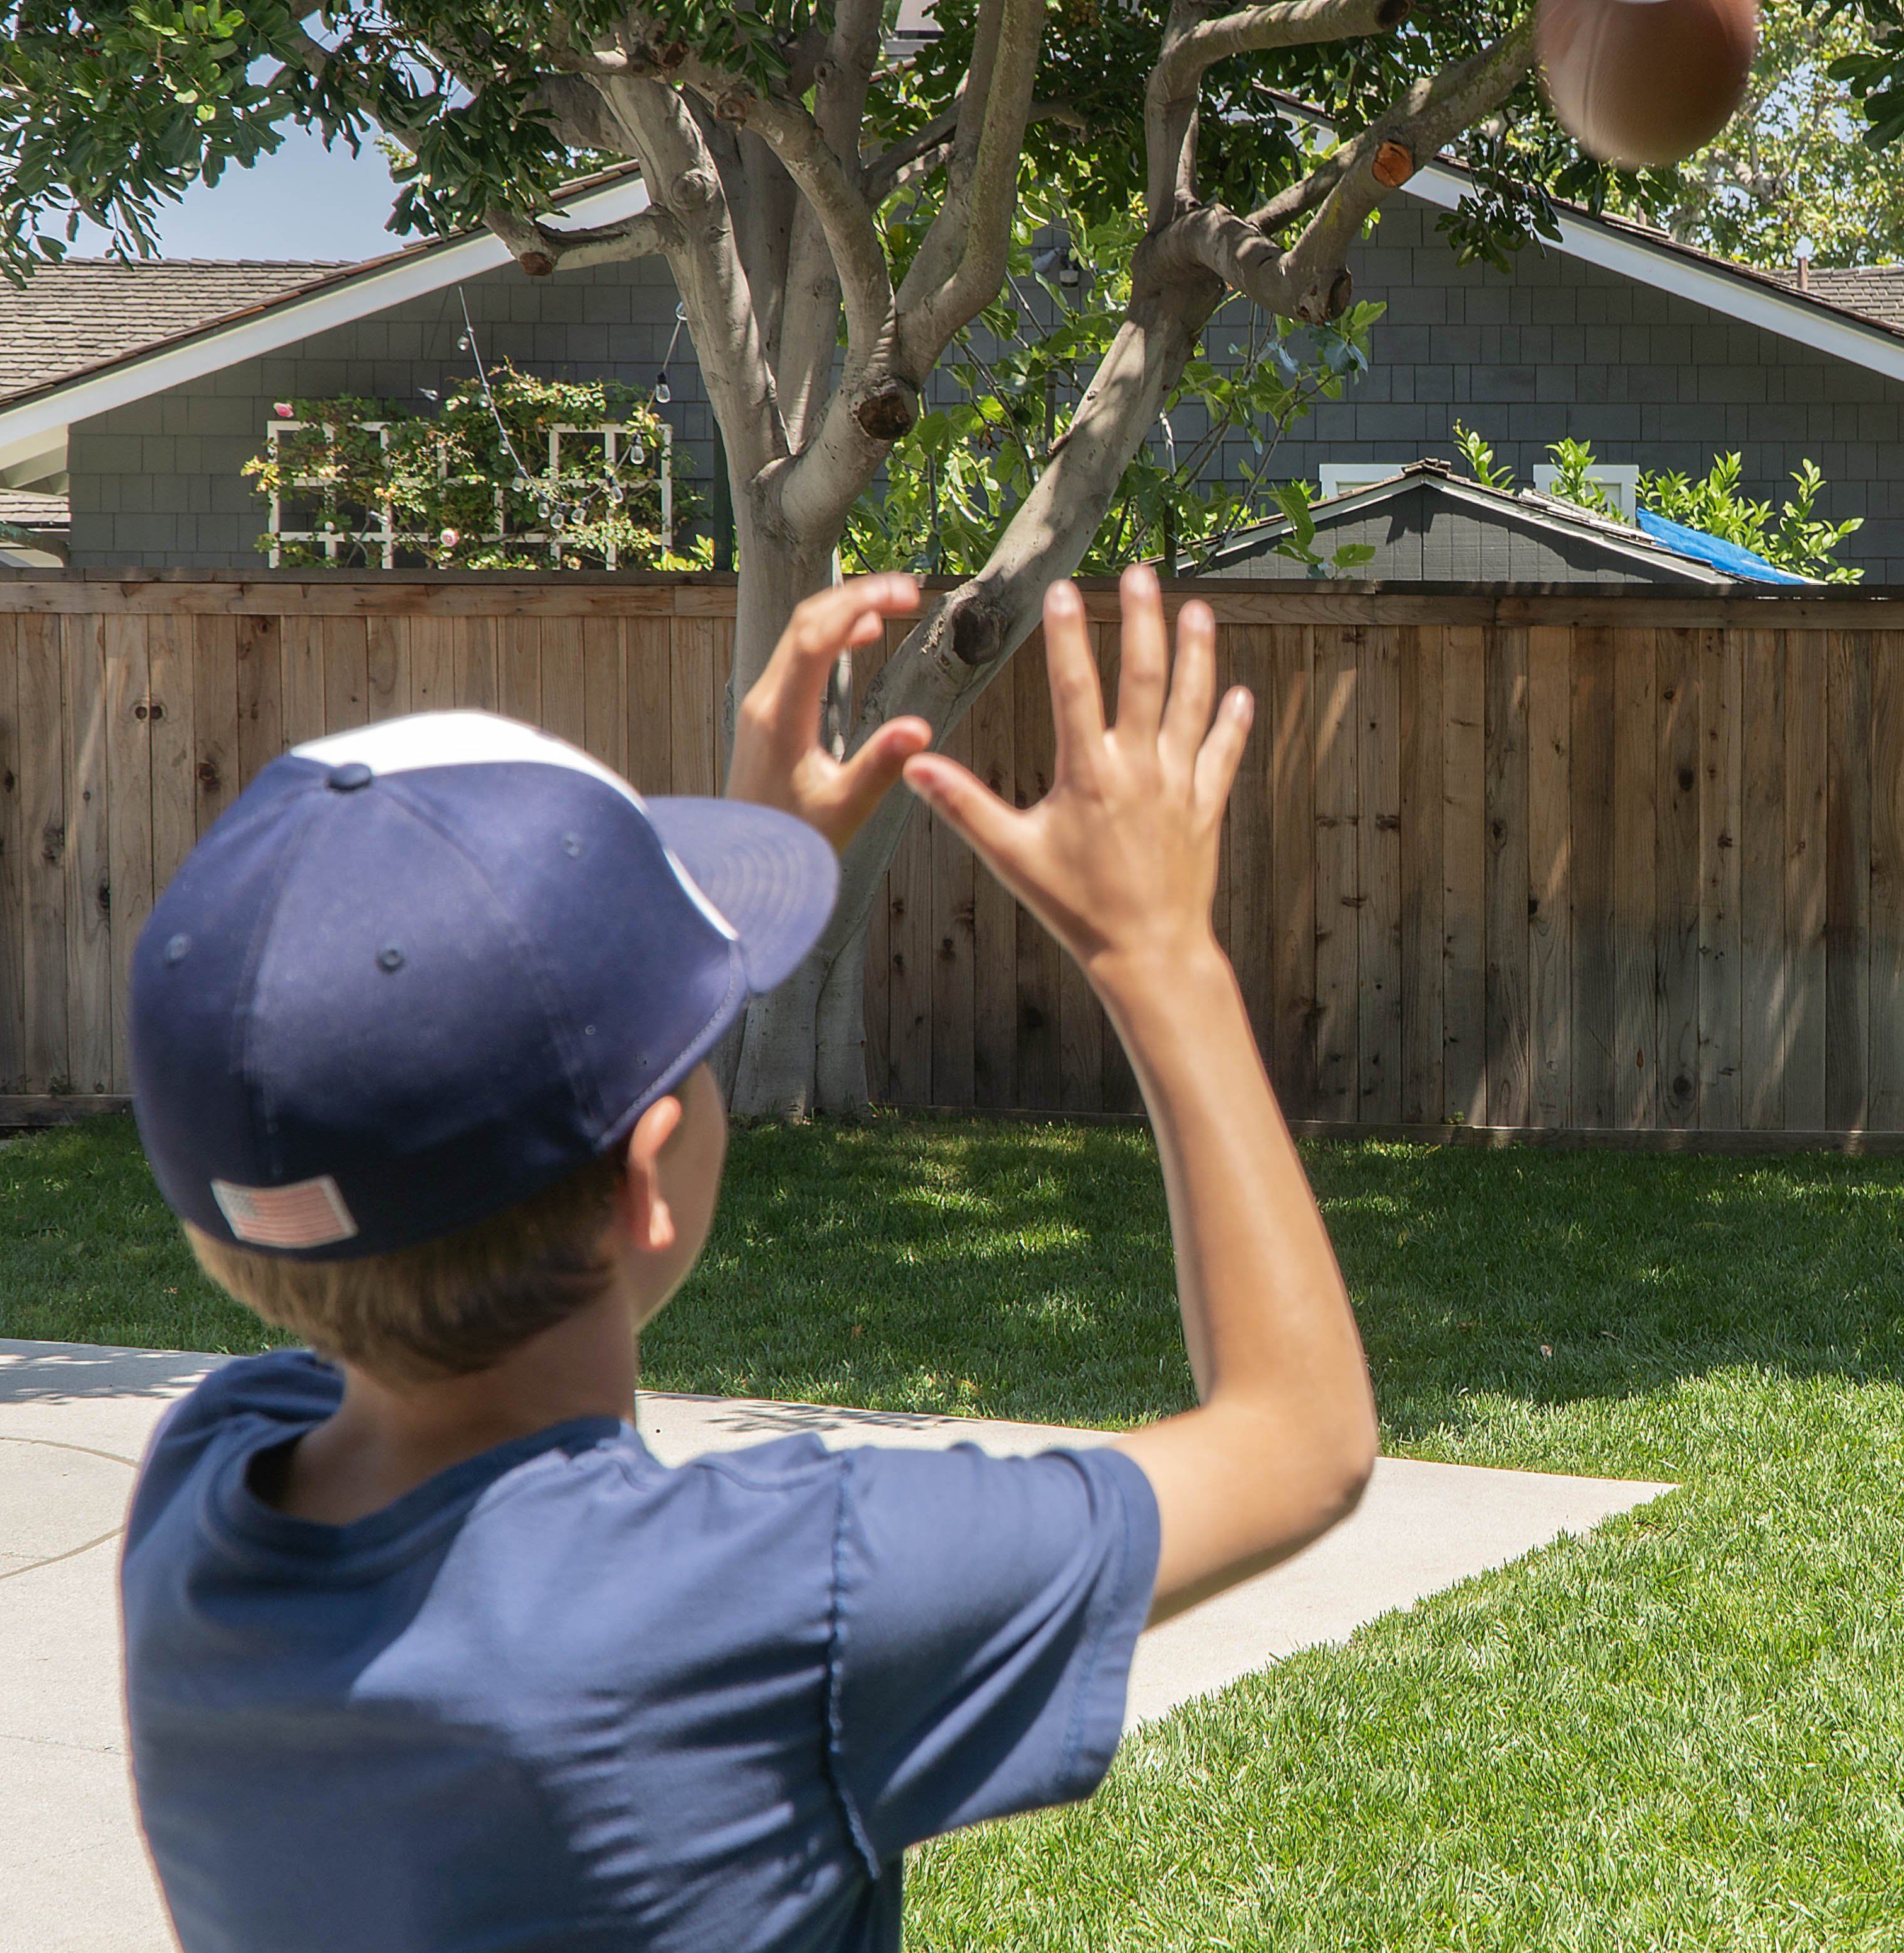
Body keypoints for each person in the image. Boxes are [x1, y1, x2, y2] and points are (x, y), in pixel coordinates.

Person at [120, 563, 1376, 1953]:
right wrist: (1158, 955)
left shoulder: (203, 1506)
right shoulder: (782, 1598)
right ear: (648, 1178)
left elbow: (422, 1183)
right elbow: (1299, 1438)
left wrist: (698, 930)